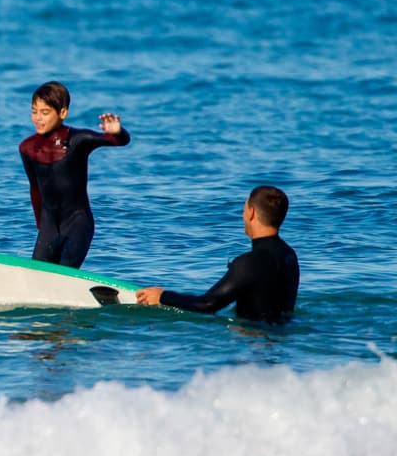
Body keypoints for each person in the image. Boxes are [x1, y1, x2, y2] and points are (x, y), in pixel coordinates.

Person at [136, 186, 299, 323]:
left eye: (244, 209)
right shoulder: (289, 256)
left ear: (251, 213)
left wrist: (163, 296)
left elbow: (207, 304)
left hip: (254, 344)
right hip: (280, 337)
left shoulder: (251, 261)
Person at [19, 81, 130, 269]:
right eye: (34, 111)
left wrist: (118, 132)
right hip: (49, 226)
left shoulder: (78, 140)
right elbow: (35, 189)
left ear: (62, 113)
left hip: (77, 223)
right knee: (37, 275)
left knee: (65, 273)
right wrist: (42, 227)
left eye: (45, 113)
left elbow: (118, 141)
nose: (38, 118)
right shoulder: (27, 148)